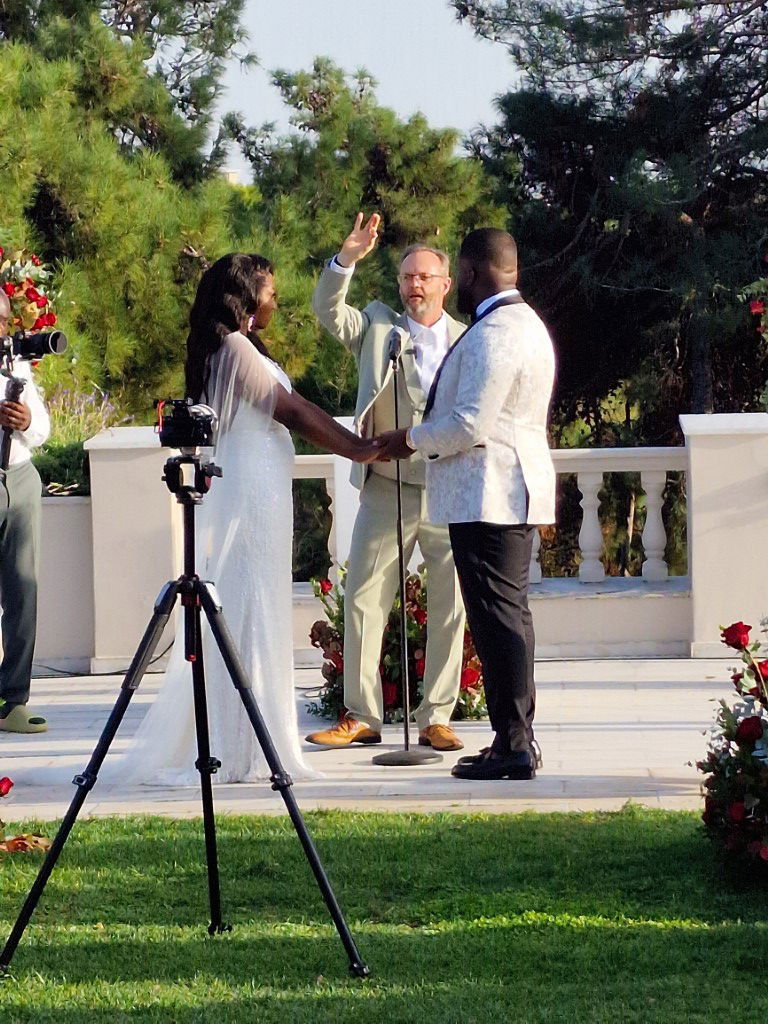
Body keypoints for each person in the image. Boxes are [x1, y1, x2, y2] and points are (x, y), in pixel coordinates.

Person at [111, 254, 381, 785]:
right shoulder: (232, 346)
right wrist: (360, 449)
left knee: (259, 604)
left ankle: (256, 735)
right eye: (270, 291)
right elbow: (292, 409)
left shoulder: (238, 345)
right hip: (252, 493)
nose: (275, 300)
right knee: (251, 607)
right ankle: (247, 747)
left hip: (263, 490)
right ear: (245, 295)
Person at [376, 228, 556, 780]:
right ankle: (515, 738)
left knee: (499, 621)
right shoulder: (524, 324)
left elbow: (471, 422)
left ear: (474, 273)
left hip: (490, 494)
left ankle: (515, 745)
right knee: (505, 619)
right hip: (502, 491)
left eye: (461, 273)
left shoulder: (497, 332)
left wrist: (408, 438)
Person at [305, 213, 467, 752]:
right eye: (406, 278)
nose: (414, 285)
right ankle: (362, 715)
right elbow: (327, 311)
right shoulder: (377, 328)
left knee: (451, 603)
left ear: (446, 284)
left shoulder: (470, 341)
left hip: (447, 486)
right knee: (363, 598)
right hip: (385, 484)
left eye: (424, 277)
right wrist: (346, 258)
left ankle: (437, 716)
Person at [0, 289, 51, 734]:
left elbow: (44, 426)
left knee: (23, 592)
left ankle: (12, 699)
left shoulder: (16, 364)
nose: (4, 330)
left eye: (4, 321)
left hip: (19, 477)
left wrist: (27, 421)